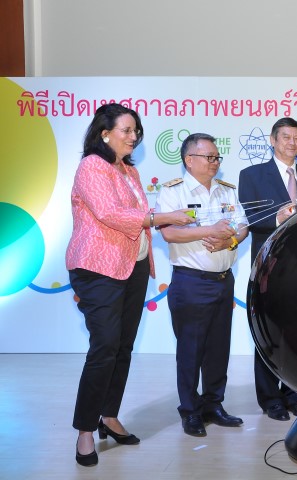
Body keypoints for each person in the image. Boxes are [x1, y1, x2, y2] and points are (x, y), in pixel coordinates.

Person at [66, 104, 194, 467]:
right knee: (104, 346)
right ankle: (85, 430)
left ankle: (109, 416)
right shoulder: (92, 166)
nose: (133, 136)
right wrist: (161, 216)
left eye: (136, 131)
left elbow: (136, 218)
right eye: (126, 130)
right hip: (98, 268)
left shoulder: (129, 171)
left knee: (122, 346)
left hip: (133, 267)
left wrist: (166, 220)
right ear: (104, 134)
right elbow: (111, 214)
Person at [156, 133, 248, 437]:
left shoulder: (226, 190)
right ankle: (190, 411)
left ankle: (213, 404)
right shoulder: (173, 191)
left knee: (218, 349)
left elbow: (242, 226)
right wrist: (210, 230)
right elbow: (169, 232)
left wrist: (230, 240)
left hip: (223, 280)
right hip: (191, 281)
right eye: (208, 157)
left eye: (217, 157)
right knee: (191, 350)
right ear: (189, 160)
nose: (214, 162)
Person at [238, 117, 297, 421]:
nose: (292, 143)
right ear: (272, 140)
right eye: (286, 137)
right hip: (268, 265)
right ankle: (270, 398)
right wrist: (277, 220)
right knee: (267, 331)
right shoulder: (252, 175)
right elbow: (249, 218)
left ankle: (292, 393)